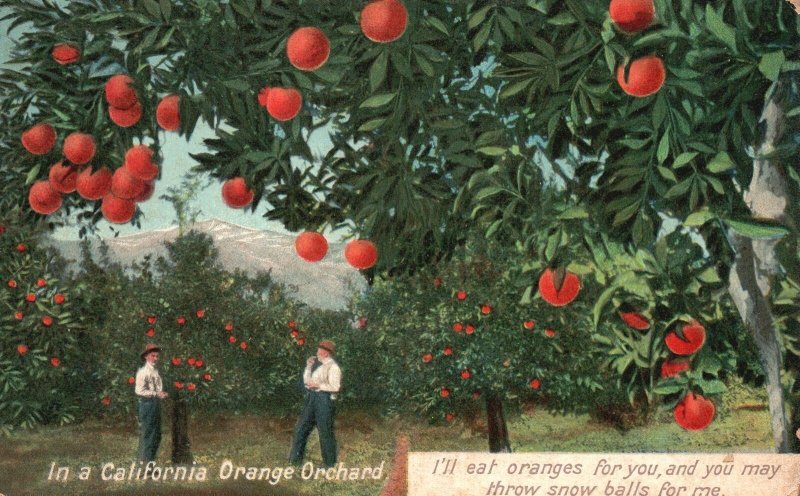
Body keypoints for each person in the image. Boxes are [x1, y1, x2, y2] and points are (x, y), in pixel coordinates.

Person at [289, 340, 342, 468]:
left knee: (325, 432)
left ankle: (330, 465)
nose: (317, 353)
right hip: (312, 399)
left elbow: (335, 387)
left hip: (325, 401)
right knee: (301, 428)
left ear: (326, 353)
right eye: (318, 350)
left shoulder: (333, 368)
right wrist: (308, 367)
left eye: (319, 351)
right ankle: (295, 461)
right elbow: (307, 382)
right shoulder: (319, 367)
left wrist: (318, 385)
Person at [135, 343, 168, 462]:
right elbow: (138, 390)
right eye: (153, 356)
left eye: (157, 356)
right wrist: (155, 394)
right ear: (146, 357)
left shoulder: (156, 372)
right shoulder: (142, 372)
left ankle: (151, 464)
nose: (155, 359)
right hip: (147, 405)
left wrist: (161, 394)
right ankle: (144, 465)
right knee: (148, 435)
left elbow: (157, 388)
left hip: (156, 404)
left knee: (157, 435)